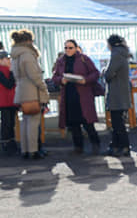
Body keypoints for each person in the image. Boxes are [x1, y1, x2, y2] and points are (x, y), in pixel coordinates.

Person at [52, 39, 101, 155]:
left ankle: (95, 144)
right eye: (66, 48)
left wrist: (85, 80)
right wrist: (61, 80)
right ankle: (78, 147)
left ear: (76, 48)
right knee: (74, 123)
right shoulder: (61, 61)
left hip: (83, 95)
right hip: (68, 95)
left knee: (87, 122)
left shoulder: (84, 58)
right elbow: (54, 76)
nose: (68, 50)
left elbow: (95, 73)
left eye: (70, 48)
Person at [9, 30, 49, 160]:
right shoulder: (27, 54)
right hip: (32, 91)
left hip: (21, 90)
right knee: (33, 122)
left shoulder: (15, 55)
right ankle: (33, 150)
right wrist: (43, 88)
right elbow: (35, 76)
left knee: (25, 121)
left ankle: (25, 150)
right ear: (28, 41)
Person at [104, 34, 133, 157]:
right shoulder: (123, 54)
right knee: (118, 122)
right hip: (122, 94)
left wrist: (104, 71)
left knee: (117, 123)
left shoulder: (116, 55)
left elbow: (109, 74)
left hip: (117, 95)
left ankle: (124, 146)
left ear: (111, 44)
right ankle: (115, 146)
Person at [0, 47, 17, 155]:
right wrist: (12, 72)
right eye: (7, 58)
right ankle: (6, 145)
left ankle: (11, 144)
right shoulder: (2, 71)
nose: (9, 60)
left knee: (12, 123)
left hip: (11, 101)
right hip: (3, 102)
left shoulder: (9, 70)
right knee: (6, 123)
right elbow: (9, 84)